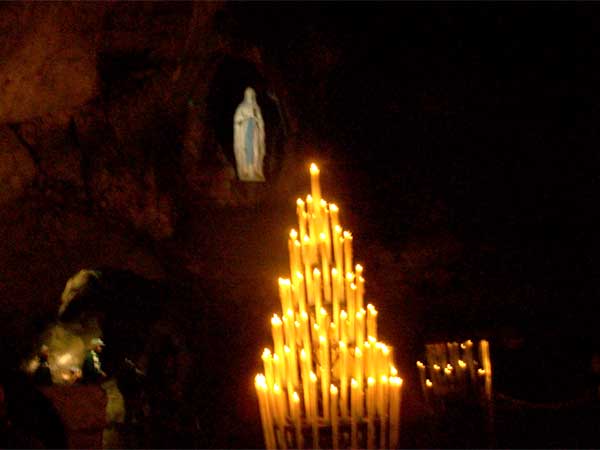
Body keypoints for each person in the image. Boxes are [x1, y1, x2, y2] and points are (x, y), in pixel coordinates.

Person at [233, 87, 266, 182]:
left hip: (254, 131)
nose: (249, 96)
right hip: (245, 130)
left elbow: (260, 121)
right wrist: (246, 118)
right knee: (247, 150)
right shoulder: (241, 107)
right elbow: (237, 120)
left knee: (256, 150)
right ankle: (248, 170)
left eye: (251, 94)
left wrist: (257, 120)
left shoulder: (256, 108)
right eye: (248, 94)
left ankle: (256, 170)